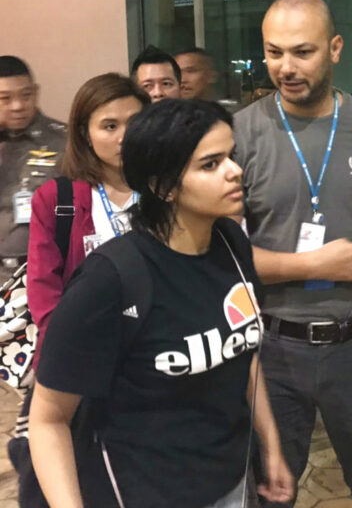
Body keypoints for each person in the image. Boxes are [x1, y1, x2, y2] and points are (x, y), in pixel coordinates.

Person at [28, 99, 294, 507]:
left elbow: (243, 351)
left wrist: (270, 445)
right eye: (211, 164)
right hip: (144, 489)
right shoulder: (111, 279)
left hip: (230, 478)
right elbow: (49, 419)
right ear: (163, 186)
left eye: (231, 156)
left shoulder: (231, 243)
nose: (235, 171)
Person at [233, 0, 352, 507]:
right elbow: (223, 256)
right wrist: (314, 264)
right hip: (271, 349)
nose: (286, 67)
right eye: (274, 52)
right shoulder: (240, 133)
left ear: (335, 48)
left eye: (303, 51)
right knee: (271, 493)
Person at [27, 73, 149, 368]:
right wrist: (73, 346)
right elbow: (43, 287)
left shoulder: (167, 191)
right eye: (110, 126)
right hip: (82, 352)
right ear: (85, 134)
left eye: (134, 124)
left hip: (154, 349)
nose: (124, 137)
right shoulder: (57, 198)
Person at [0, 55, 66, 284]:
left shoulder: (63, 142)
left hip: (37, 275)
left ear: (36, 92)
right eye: (5, 99)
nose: (17, 106)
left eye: (25, 95)